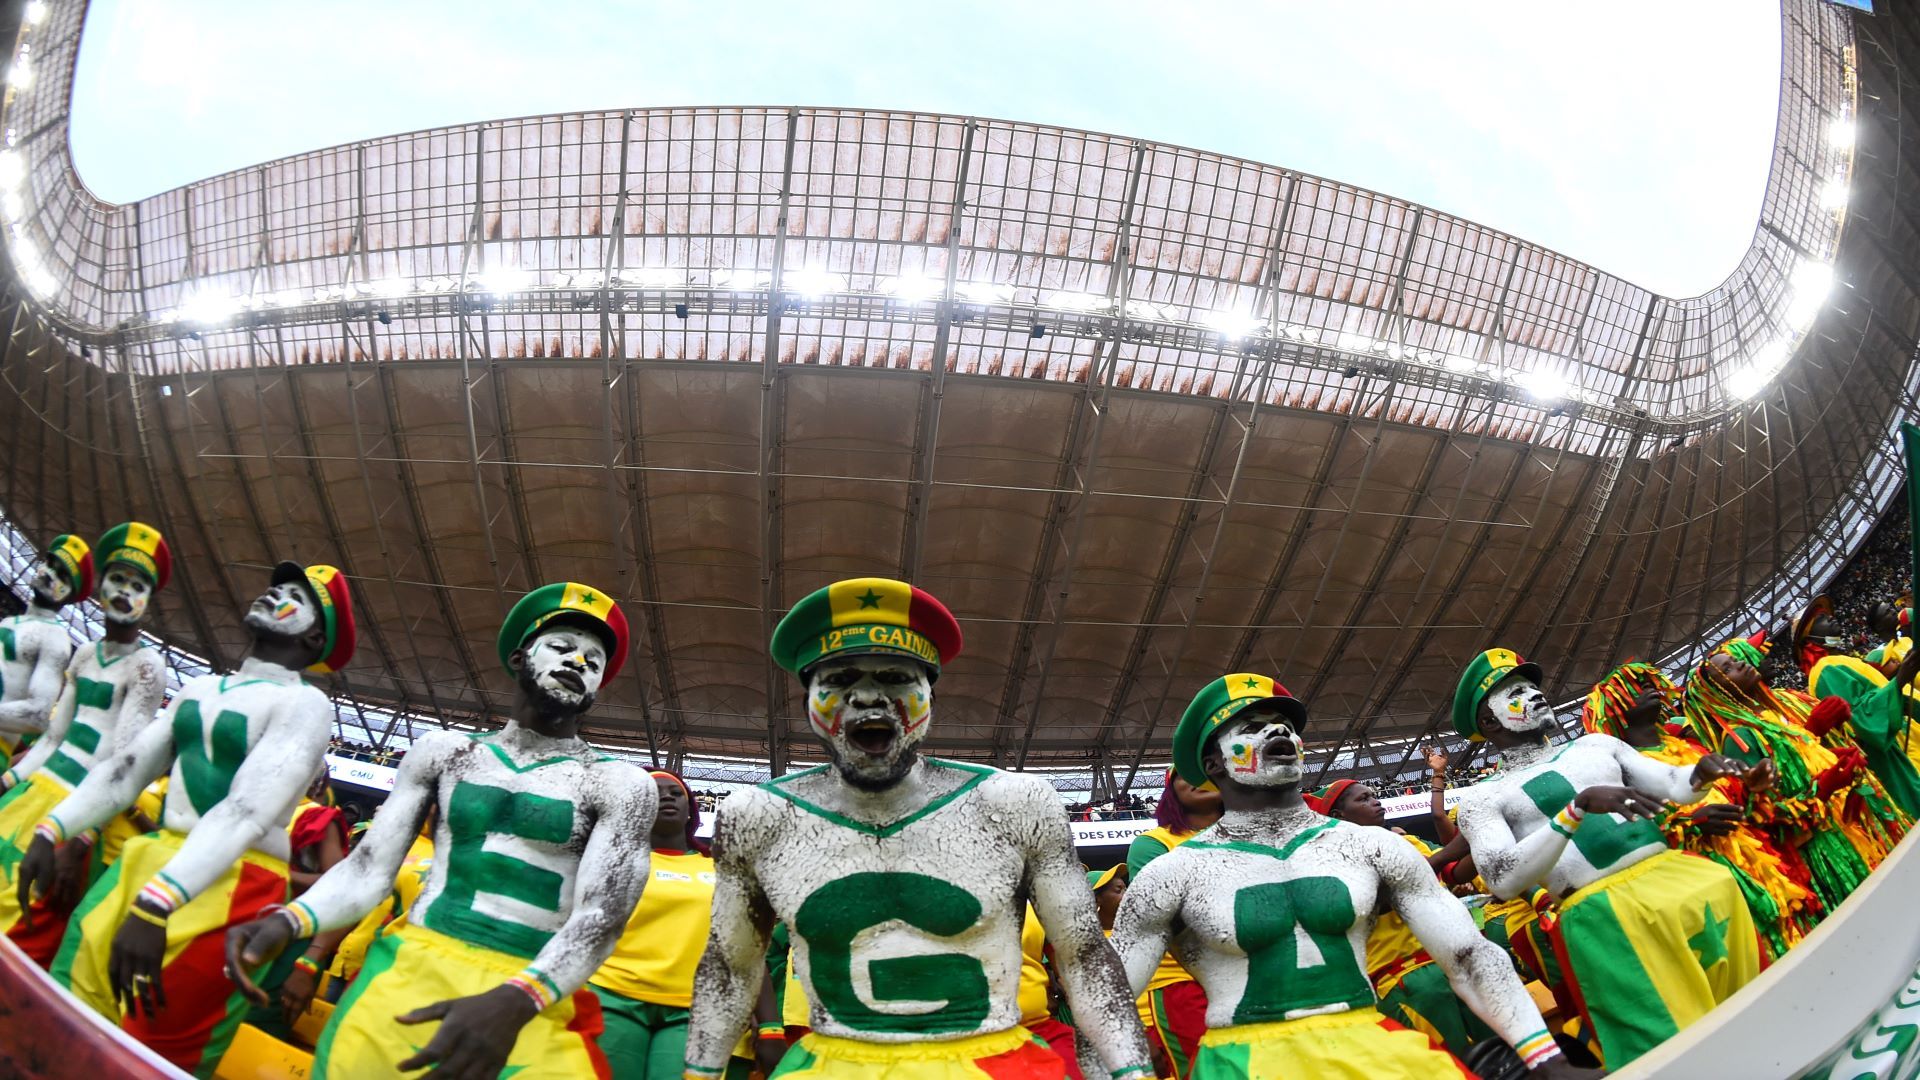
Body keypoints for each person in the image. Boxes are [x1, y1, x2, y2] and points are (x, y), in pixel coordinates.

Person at [682, 577, 1153, 1080]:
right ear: (808, 706)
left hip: (990, 1058)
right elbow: (731, 967)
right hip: (832, 1062)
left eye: (894, 677)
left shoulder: (1011, 802)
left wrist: (1131, 1073)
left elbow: (1083, 956)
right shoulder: (758, 816)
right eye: (839, 680)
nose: (867, 698)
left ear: (931, 698)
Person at [225, 580, 656, 1079]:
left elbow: (601, 918)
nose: (578, 662)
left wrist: (516, 1003)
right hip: (412, 965)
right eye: (561, 647)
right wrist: (291, 920)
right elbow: (368, 867)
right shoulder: (445, 752)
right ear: (519, 659)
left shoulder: (621, 784)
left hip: (533, 988)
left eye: (593, 661)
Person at [1112, 673, 1584, 1079]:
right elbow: (1107, 1003)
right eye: (1251, 727)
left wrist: (1544, 1059)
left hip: (1371, 1040)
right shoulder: (1171, 873)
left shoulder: (1371, 846)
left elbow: (1468, 954)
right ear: (1214, 764)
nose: (1278, 731)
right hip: (1246, 1060)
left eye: (1286, 726)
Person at [16, 561, 353, 1078]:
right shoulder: (203, 689)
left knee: (152, 1050)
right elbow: (123, 772)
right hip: (151, 860)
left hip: (232, 880)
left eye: (292, 596)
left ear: (313, 638)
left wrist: (156, 905)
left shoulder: (305, 703)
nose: (271, 594)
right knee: (68, 1014)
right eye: (275, 586)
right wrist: (52, 828)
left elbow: (247, 809)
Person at [1451, 648, 1768, 1068]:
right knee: (1669, 1045)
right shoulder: (1482, 799)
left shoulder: (1597, 744)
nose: (1534, 695)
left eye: (1531, 686)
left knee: (1758, 1006)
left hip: (1687, 879)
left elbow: (1673, 784)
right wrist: (1574, 811)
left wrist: (1704, 772)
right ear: (1489, 722)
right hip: (1605, 914)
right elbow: (1502, 879)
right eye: (1515, 693)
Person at [0, 523, 171, 965]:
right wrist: (8, 781)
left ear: (149, 601)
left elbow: (122, 764)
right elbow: (52, 738)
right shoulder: (83, 655)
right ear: (99, 588)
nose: (124, 592)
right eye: (117, 579)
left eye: (138, 586)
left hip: (76, 809)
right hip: (32, 793)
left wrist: (82, 840)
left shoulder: (148, 667)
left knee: (22, 920)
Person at [1581, 661, 1817, 960]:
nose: (1648, 689)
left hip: (1762, 864)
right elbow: (1639, 840)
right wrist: (1691, 825)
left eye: (1649, 682)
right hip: (1713, 879)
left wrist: (1752, 788)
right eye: (1635, 688)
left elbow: (1740, 803)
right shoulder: (1624, 774)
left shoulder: (1689, 745)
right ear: (1614, 709)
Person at [1682, 635, 1907, 914]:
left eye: (1733, 661)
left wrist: (1835, 755)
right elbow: (1766, 818)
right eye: (1726, 669)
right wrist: (1823, 787)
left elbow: (1803, 766)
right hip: (1832, 848)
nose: (1739, 664)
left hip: (1857, 822)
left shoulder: (1776, 713)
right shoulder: (1740, 739)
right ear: (1714, 694)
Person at [589, 768, 765, 1080]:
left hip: (695, 1008)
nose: (666, 797)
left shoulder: (721, 870)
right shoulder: (609, 858)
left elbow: (746, 943)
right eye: (654, 793)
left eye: (675, 793)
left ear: (690, 810)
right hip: (610, 995)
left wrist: (767, 1021)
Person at [1306, 778, 1494, 1061]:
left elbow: (1455, 875)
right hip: (1409, 979)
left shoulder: (1406, 841)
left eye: (1374, 795)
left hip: (1458, 961)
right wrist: (1447, 852)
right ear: (1338, 816)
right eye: (1363, 799)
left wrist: (1479, 838)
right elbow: (1382, 899)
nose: (1376, 802)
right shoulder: (1332, 862)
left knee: (1502, 1054)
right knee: (1451, 1065)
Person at [1123, 769, 1217, 1078]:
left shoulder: (1251, 835)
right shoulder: (1152, 844)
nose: (1196, 778)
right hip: (1181, 981)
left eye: (1205, 770)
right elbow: (1165, 919)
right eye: (1185, 773)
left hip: (1257, 974)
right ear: (1170, 791)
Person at [1792, 598, 1920, 813]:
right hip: (1894, 751)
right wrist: (1899, 680)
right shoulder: (1825, 671)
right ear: (1808, 639)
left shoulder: (1837, 662)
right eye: (1821, 619)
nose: (1830, 618)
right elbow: (1861, 717)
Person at [0, 533, 92, 757]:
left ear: (70, 596)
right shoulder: (9, 621)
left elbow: (38, 714)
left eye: (62, 575)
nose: (50, 574)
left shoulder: (56, 638)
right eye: (50, 563)